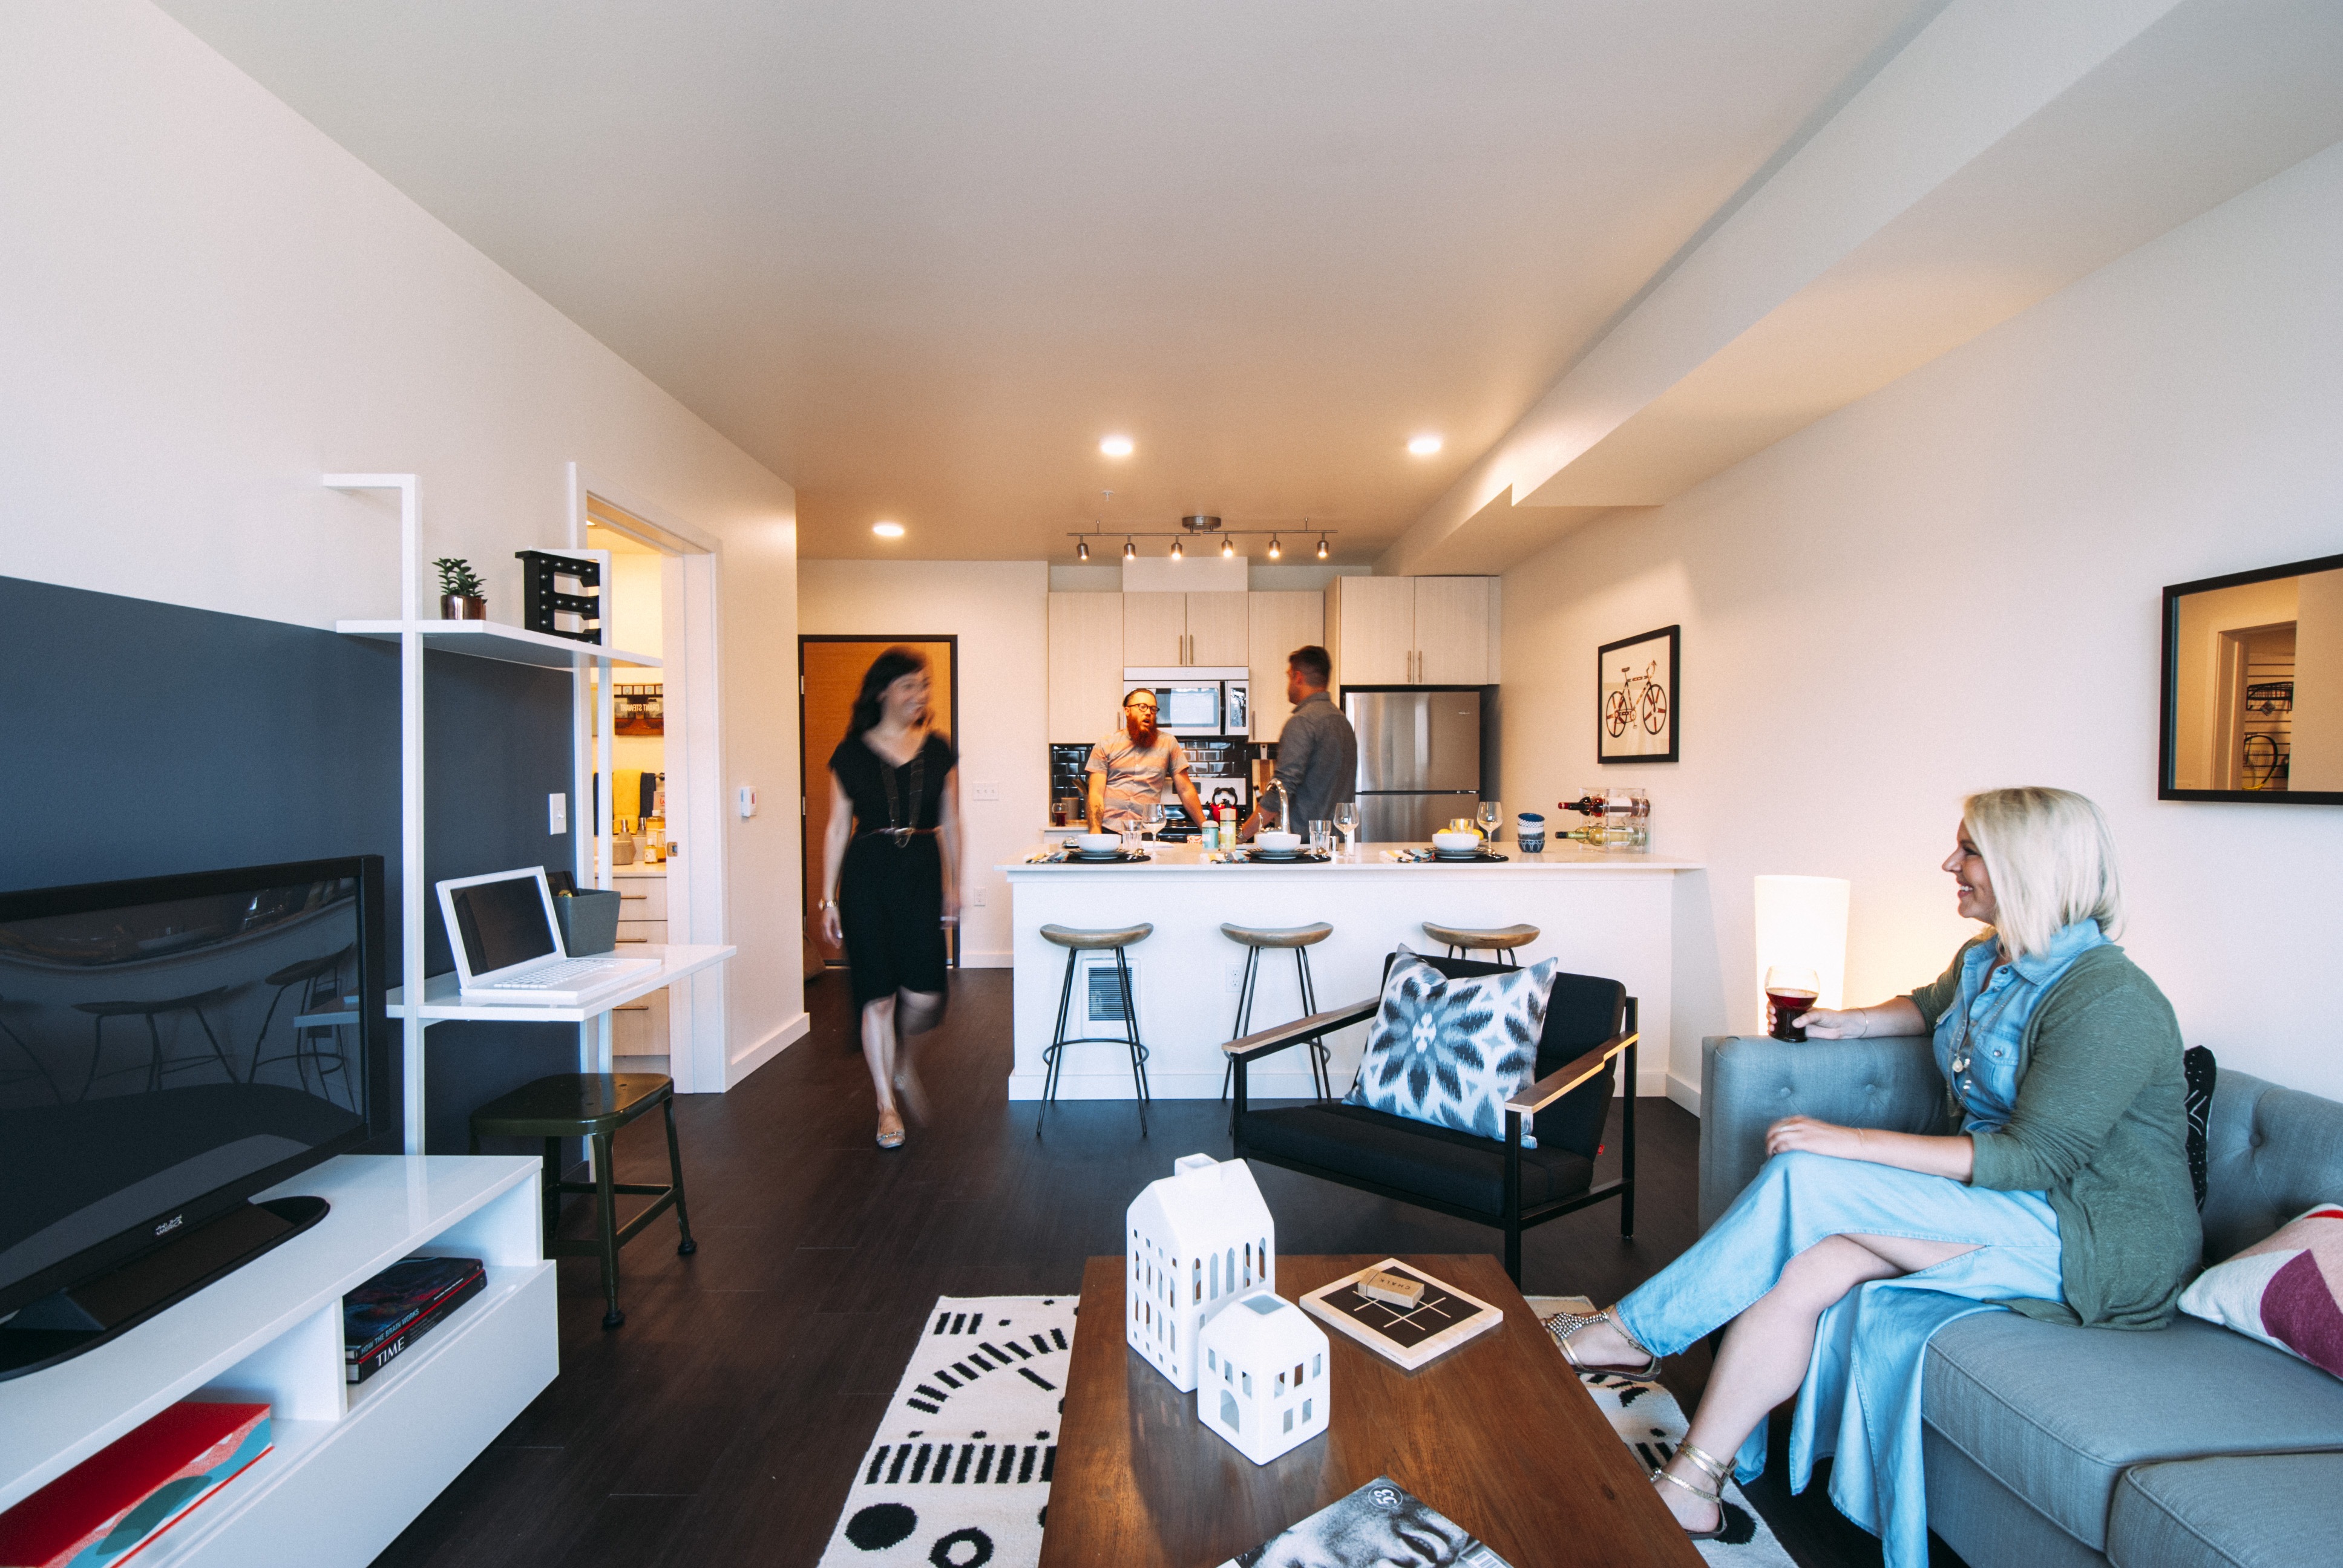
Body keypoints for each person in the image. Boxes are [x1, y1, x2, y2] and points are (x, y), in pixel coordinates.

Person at [1547, 787, 2197, 1567]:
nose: (1949, 864)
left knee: (1809, 1179)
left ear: (2028, 867)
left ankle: (1626, 1335)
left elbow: (2032, 1161)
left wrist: (1853, 1141)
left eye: (1969, 850)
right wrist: (1849, 1021)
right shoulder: (1988, 956)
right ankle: (1692, 1484)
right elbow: (1930, 1004)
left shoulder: (2110, 1001)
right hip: (2001, 1206)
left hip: (2087, 1239)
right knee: (1813, 1266)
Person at [816, 648, 962, 1151]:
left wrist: (954, 883)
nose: (920, 695)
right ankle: (886, 1104)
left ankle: (901, 1058)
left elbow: (952, 820)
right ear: (883, 691)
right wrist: (827, 899)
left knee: (925, 994)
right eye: (909, 686)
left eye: (924, 686)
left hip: (920, 870)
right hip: (867, 876)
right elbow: (838, 827)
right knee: (876, 994)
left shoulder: (938, 748)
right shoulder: (851, 752)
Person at [1239, 645, 1356, 841]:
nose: (1288, 684)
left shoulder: (1302, 722)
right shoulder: (1342, 722)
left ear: (1299, 677)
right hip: (1337, 846)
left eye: (1289, 676)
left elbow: (1280, 792)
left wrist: (1240, 836)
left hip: (1303, 849)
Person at [1086, 688, 1208, 836]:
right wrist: (1095, 832)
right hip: (1108, 830)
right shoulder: (1106, 743)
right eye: (1142, 707)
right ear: (1127, 711)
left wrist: (1207, 829)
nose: (1149, 712)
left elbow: (1186, 790)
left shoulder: (1168, 743)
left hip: (1146, 832)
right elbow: (1096, 793)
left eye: (1153, 709)